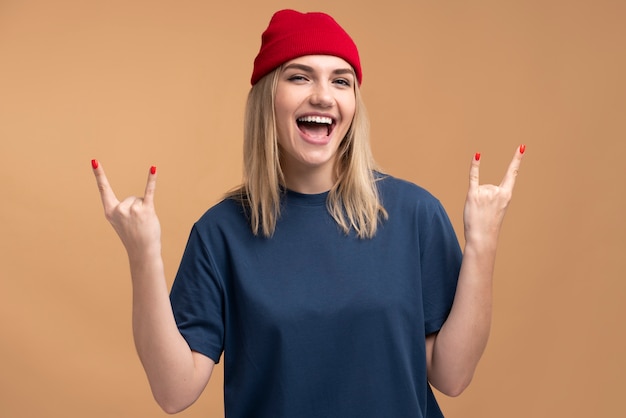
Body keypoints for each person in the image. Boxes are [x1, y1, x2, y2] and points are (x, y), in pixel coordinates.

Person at [91, 9, 525, 418]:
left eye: (341, 81)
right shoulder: (220, 233)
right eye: (300, 77)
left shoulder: (415, 215)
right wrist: (143, 254)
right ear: (267, 99)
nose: (323, 95)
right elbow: (174, 391)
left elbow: (452, 376)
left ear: (354, 104)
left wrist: (483, 243)